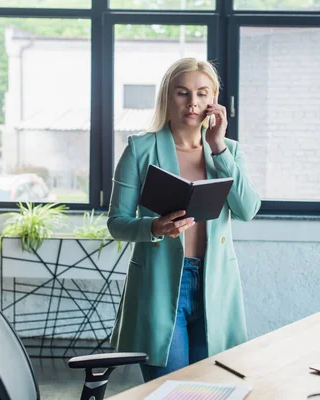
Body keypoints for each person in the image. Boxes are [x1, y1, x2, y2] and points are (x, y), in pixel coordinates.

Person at [107, 57, 261, 383]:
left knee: (209, 389)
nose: (192, 102)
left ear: (213, 100)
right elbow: (117, 222)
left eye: (202, 93)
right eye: (182, 93)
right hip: (160, 287)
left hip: (214, 285)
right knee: (171, 390)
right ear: (167, 97)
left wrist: (217, 146)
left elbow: (248, 209)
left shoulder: (228, 151)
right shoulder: (140, 148)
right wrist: (153, 227)